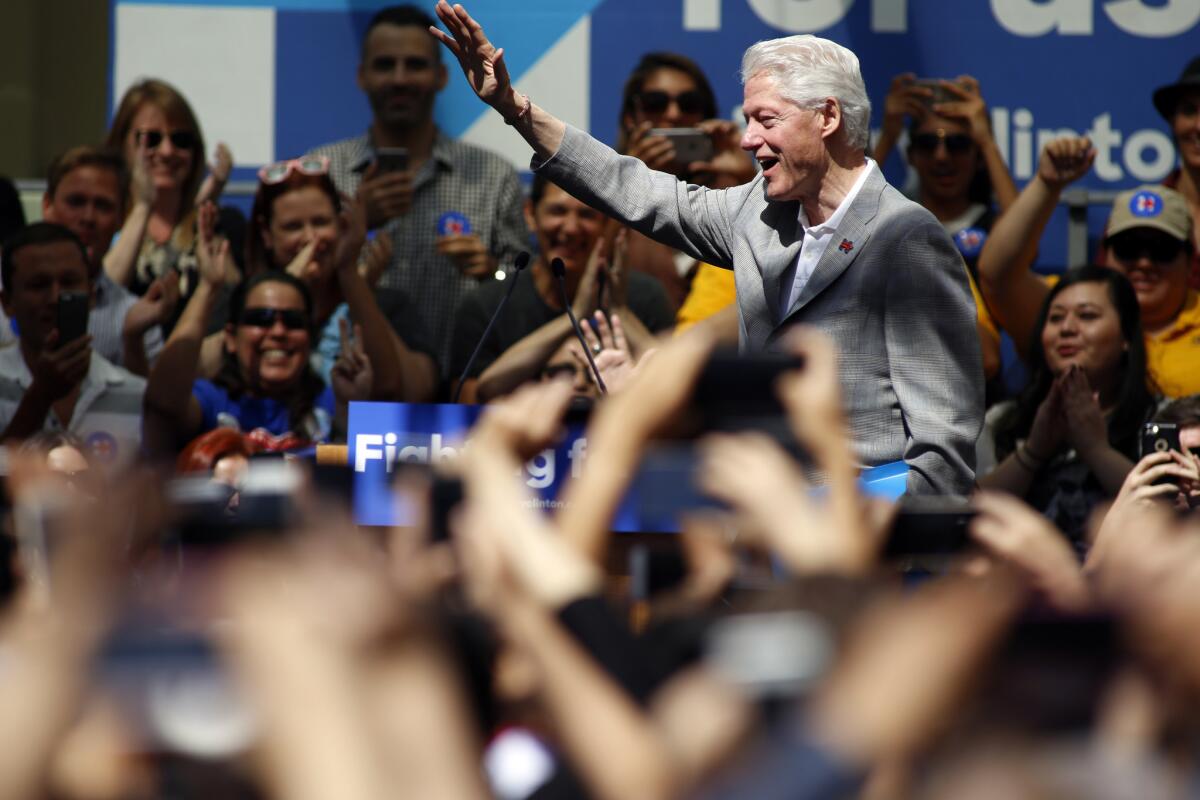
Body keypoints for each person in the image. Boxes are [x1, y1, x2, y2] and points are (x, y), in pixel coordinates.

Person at [431, 2, 983, 494]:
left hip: (860, 566)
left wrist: (828, 520)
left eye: (766, 120)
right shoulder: (757, 214)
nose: (747, 140)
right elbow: (637, 189)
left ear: (828, 118)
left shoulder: (908, 240)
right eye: (747, 121)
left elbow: (942, 464)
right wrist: (515, 108)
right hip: (754, 540)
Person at [306, 4, 528, 376]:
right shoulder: (325, 172)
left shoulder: (492, 176)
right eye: (385, 65)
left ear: (441, 76)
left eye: (415, 65)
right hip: (348, 391)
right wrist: (355, 228)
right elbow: (295, 293)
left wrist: (492, 272)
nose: (400, 78)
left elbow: (528, 293)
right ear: (362, 76)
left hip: (461, 393)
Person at [977, 137, 1200, 398]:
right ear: (1106, 254)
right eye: (1128, 247)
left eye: (1162, 249)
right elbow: (998, 276)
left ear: (1188, 261)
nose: (1144, 262)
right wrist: (1047, 185)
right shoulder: (1072, 309)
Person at [449, 175, 673, 402]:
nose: (571, 228)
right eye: (557, 211)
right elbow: (469, 402)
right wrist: (574, 315)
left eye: (587, 214)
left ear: (607, 223)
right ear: (530, 214)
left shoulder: (646, 297)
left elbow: (677, 390)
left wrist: (619, 310)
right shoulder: (487, 304)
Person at [978, 267, 1156, 547]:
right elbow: (970, 514)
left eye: (1087, 316)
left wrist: (1097, 451)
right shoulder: (1003, 420)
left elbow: (1168, 517)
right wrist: (1034, 451)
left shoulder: (1160, 418)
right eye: (1056, 318)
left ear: (1126, 337)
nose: (1067, 328)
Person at [143, 243, 373, 453]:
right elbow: (162, 402)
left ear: (309, 337)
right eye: (261, 319)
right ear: (231, 338)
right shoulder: (211, 401)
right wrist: (208, 289)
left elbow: (346, 484)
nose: (278, 332)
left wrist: (349, 410)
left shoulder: (332, 403)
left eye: (294, 321)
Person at [245, 156, 439, 401]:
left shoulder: (386, 302)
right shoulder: (241, 301)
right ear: (266, 234)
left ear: (341, 224)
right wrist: (286, 289)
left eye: (321, 222)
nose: (311, 238)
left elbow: (408, 391)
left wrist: (351, 274)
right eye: (293, 227)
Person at [616, 52, 754, 313]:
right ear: (631, 117)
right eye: (655, 103)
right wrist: (628, 181)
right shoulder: (606, 189)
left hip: (721, 349)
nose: (674, 114)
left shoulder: (732, 188)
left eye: (688, 103)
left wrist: (749, 179)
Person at [0, 223, 146, 463]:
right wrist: (39, 397)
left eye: (69, 282)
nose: (55, 298)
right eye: (38, 284)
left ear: (90, 294)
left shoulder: (134, 395)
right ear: (7, 302)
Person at [105, 78, 238, 322]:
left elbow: (237, 305)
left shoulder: (222, 222)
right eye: (151, 139)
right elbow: (102, 299)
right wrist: (143, 206)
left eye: (181, 140)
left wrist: (203, 217)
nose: (167, 151)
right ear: (122, 146)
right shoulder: (103, 219)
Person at [30, 146, 171, 375]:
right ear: (47, 205)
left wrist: (132, 340)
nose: (88, 218)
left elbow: (151, 406)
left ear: (121, 218)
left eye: (103, 206)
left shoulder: (135, 316)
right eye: (76, 202)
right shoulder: (3, 295)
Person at [874, 74, 1017, 277]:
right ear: (910, 155)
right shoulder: (893, 222)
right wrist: (888, 137)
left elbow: (1025, 248)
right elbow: (849, 224)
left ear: (979, 157)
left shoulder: (993, 227)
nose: (941, 156)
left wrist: (986, 140)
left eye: (957, 144)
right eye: (928, 143)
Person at [1153, 56, 1200, 287]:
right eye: (1189, 111)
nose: (1199, 127)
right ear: (1173, 122)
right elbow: (1111, 297)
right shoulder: (1143, 214)